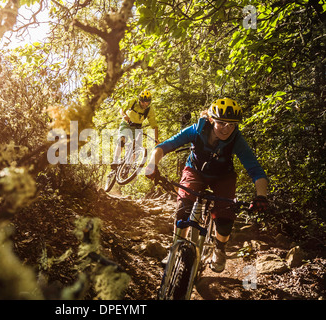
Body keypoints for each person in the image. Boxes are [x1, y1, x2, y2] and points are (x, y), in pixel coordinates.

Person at [144, 97, 269, 273]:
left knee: (225, 217)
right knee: (184, 207)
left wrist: (261, 196)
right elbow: (164, 147)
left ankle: (219, 249)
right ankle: (175, 248)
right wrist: (151, 164)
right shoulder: (196, 130)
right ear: (211, 120)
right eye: (222, 123)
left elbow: (255, 170)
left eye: (232, 125)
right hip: (195, 171)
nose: (227, 128)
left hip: (223, 177)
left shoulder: (236, 139)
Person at [111, 89, 159, 169]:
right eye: (143, 102)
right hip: (127, 124)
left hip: (137, 127)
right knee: (122, 139)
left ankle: (127, 166)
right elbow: (122, 109)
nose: (145, 104)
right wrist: (124, 116)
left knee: (136, 147)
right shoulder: (133, 102)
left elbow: (154, 125)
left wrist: (156, 138)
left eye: (147, 102)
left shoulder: (149, 110)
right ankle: (115, 161)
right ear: (140, 100)